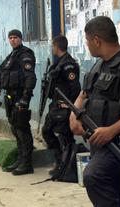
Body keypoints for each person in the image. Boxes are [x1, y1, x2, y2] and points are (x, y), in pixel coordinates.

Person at [70, 16, 120, 207]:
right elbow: (83, 95)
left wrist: (112, 130)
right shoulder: (99, 66)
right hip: (99, 139)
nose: (87, 45)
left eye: (87, 41)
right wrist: (74, 115)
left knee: (94, 176)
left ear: (97, 41)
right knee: (111, 188)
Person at [0, 29, 37, 175]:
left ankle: (27, 163)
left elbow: (30, 78)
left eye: (15, 37)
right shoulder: (12, 55)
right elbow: (2, 72)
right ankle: (20, 159)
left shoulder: (25, 55)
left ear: (20, 39)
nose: (13, 40)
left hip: (20, 97)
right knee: (15, 128)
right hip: (10, 97)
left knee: (22, 129)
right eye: (10, 38)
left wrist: (25, 99)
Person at [42, 35, 81, 176]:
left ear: (56, 46)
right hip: (55, 105)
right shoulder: (58, 64)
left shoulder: (68, 64)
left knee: (64, 137)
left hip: (64, 107)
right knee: (47, 131)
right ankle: (60, 162)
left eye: (53, 46)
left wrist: (70, 106)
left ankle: (66, 167)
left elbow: (75, 88)